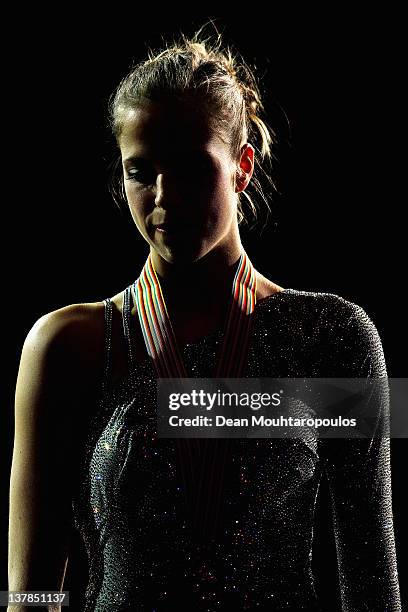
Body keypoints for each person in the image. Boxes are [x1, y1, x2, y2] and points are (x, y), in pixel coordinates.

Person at [8, 31, 401, 612]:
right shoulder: (67, 345)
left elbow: (371, 579)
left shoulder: (333, 336)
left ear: (241, 168)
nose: (164, 197)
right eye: (140, 171)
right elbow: (31, 592)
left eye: (192, 168)